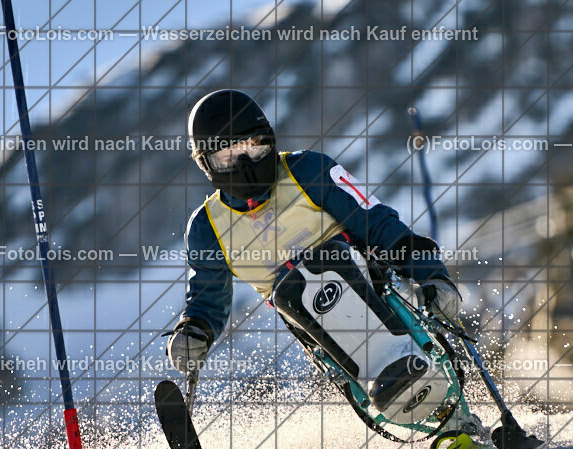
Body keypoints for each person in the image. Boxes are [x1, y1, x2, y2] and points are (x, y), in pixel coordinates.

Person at [166, 89, 461, 422]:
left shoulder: (307, 170)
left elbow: (376, 222)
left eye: (253, 146)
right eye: (228, 156)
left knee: (326, 261)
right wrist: (193, 331)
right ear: (208, 164)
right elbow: (207, 299)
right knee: (291, 289)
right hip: (316, 330)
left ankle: (453, 413)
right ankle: (403, 397)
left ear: (270, 141)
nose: (245, 163)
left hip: (370, 289)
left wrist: (431, 273)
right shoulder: (207, 227)